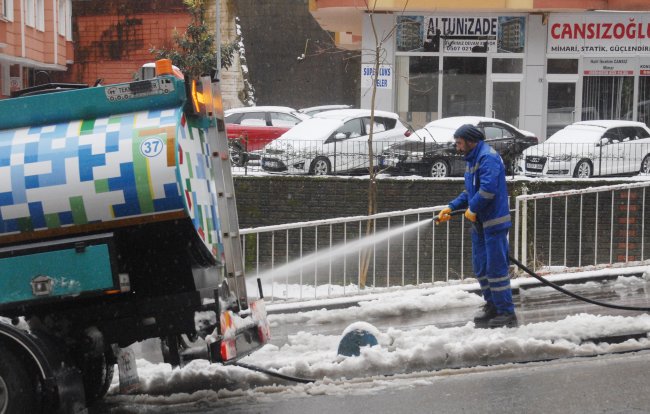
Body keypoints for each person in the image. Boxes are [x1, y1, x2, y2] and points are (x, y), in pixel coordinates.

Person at [437, 124, 517, 328]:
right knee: (481, 267)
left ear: (471, 141)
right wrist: (451, 207)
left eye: (460, 143)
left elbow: (488, 191)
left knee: (496, 269)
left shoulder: (488, 158)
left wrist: (472, 209)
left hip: (494, 224)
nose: (457, 148)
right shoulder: (473, 159)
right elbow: (470, 192)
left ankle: (506, 312)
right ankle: (492, 305)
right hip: (480, 224)